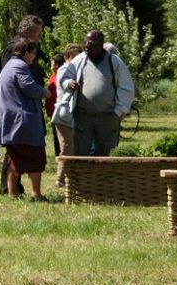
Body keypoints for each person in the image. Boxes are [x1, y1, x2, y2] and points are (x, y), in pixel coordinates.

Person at [63, 30, 134, 157]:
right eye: (85, 45)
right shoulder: (79, 60)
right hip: (82, 117)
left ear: (100, 44)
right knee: (80, 154)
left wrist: (118, 112)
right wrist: (69, 83)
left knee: (106, 155)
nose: (87, 48)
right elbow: (64, 78)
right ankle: (83, 177)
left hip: (108, 116)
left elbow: (126, 87)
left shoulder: (114, 61)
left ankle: (103, 177)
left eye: (90, 45)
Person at [0, 38, 51, 201]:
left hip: (10, 122)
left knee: (15, 159)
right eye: (33, 54)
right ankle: (36, 194)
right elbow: (30, 88)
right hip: (22, 122)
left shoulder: (8, 66)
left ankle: (12, 193)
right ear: (26, 52)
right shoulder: (20, 67)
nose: (34, 57)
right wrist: (45, 92)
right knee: (35, 157)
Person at [52, 43, 82, 187]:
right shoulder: (64, 68)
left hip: (72, 114)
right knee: (67, 147)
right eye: (73, 56)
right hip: (64, 114)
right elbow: (65, 82)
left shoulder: (76, 69)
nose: (76, 59)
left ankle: (71, 178)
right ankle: (60, 179)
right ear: (66, 57)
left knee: (72, 147)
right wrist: (71, 84)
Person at [44, 53, 65, 157]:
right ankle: (58, 154)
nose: (50, 65)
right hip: (52, 110)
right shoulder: (53, 76)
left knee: (60, 134)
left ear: (56, 65)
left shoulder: (62, 77)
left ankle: (62, 153)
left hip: (58, 110)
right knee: (55, 134)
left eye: (52, 63)